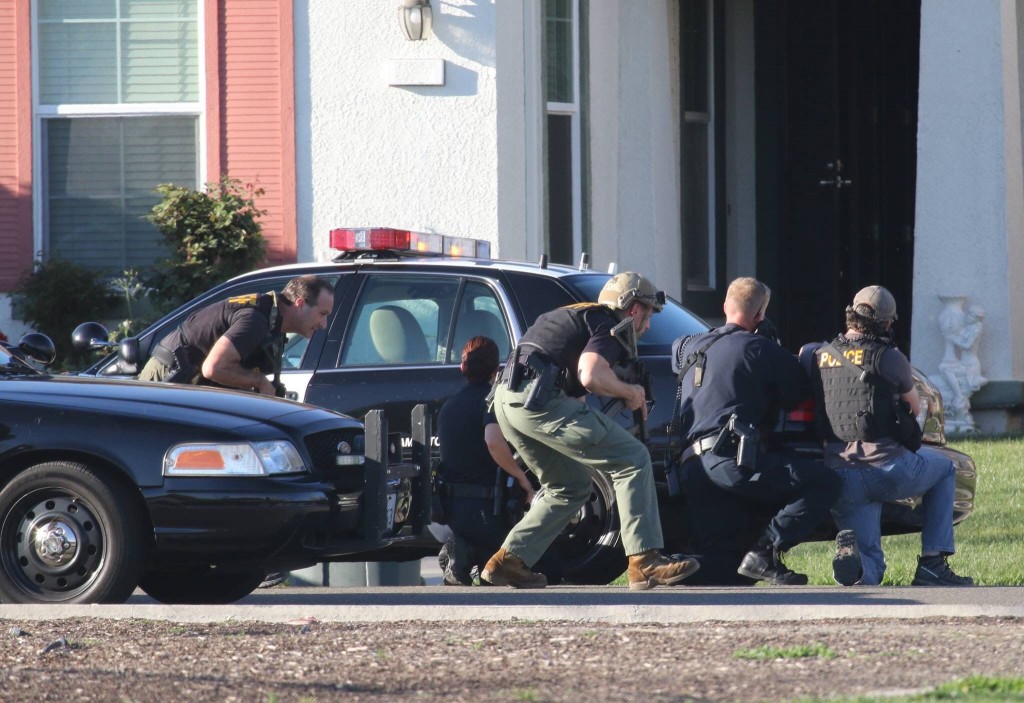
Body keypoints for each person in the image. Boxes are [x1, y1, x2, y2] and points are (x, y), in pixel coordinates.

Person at [481, 272, 700, 590]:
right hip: (538, 399)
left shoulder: (574, 315)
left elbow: (576, 391)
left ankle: (508, 561)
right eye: (649, 314)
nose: (648, 325)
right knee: (632, 457)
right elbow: (590, 374)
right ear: (633, 309)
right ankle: (644, 561)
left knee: (569, 486)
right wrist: (630, 392)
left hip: (508, 401)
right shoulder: (609, 323)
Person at [671, 277, 842, 585]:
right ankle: (767, 550)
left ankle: (671, 573)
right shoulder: (759, 348)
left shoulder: (689, 346)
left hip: (691, 471)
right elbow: (799, 389)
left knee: (728, 569)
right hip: (730, 463)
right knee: (826, 482)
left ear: (725, 306)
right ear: (760, 315)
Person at [799, 285, 974, 586]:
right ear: (887, 322)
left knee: (872, 567)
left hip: (840, 474)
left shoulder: (819, 356)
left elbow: (804, 355)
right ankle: (934, 564)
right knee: (946, 468)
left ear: (850, 316)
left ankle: (857, 571)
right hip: (887, 468)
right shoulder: (889, 357)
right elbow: (914, 406)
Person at [436, 335, 563, 586]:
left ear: (463, 367)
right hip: (487, 510)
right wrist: (522, 479)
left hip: (453, 509)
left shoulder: (448, 406)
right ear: (497, 370)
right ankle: (468, 552)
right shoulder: (492, 401)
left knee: (491, 569)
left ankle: (463, 548)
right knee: (551, 568)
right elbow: (493, 441)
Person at [139, 275, 334, 395]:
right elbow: (213, 368)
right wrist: (259, 382)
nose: (324, 325)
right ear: (300, 304)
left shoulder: (272, 321)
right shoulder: (255, 320)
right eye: (322, 314)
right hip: (167, 379)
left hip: (186, 384)